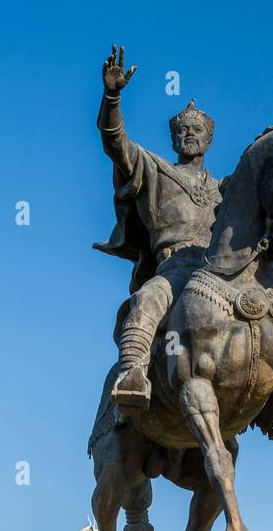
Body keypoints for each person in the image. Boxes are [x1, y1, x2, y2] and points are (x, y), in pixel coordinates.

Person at [94, 45, 224, 412]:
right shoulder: (155, 170)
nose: (189, 134)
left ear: (209, 140)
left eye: (196, 130)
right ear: (172, 139)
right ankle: (133, 372)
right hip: (174, 270)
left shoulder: (224, 190)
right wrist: (112, 96)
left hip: (219, 277)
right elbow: (115, 143)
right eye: (182, 130)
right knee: (147, 300)